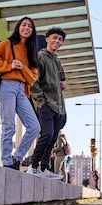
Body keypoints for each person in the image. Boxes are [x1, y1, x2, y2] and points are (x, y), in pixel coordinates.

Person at [0, 17, 40, 170]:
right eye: (24, 25)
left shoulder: (30, 51)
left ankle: (17, 158)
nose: (27, 28)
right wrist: (8, 65)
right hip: (6, 86)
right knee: (9, 126)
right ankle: (7, 162)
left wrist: (22, 67)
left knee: (34, 126)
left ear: (32, 31)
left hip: (21, 90)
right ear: (18, 27)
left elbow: (33, 78)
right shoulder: (7, 43)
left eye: (30, 26)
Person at [30, 27, 67, 179]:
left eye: (60, 39)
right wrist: (40, 101)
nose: (57, 41)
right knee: (47, 134)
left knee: (52, 139)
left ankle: (45, 168)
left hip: (58, 105)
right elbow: (33, 81)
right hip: (46, 103)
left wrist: (61, 83)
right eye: (55, 38)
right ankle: (33, 166)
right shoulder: (41, 57)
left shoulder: (56, 60)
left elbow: (62, 78)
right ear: (47, 39)